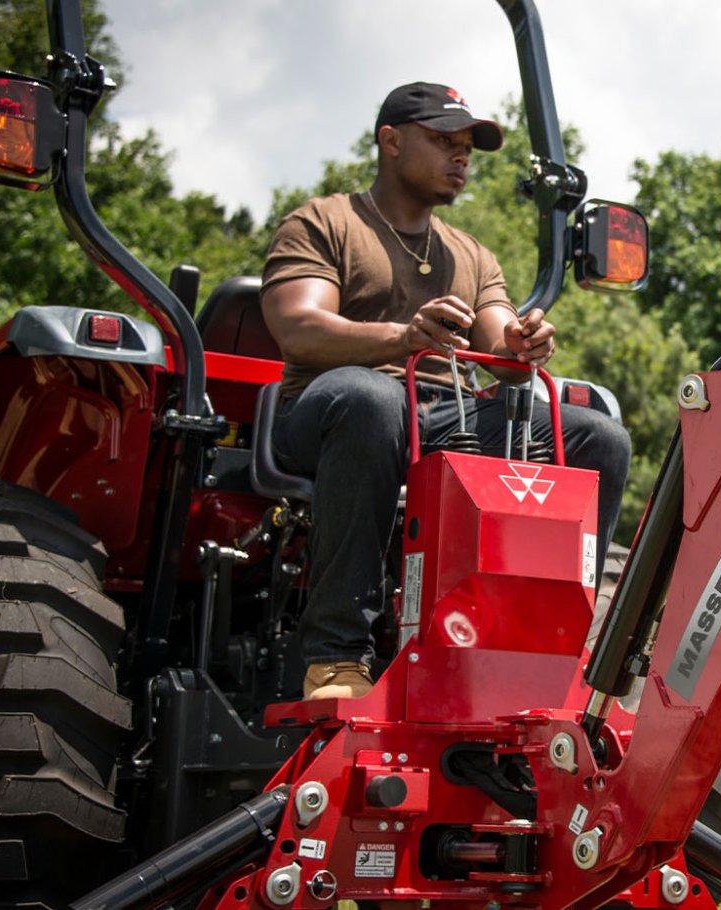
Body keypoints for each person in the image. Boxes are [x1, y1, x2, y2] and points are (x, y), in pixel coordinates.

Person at [260, 82, 630, 700]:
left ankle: (555, 655)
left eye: (466, 147)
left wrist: (523, 346)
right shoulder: (324, 222)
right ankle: (336, 656)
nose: (460, 156)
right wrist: (402, 337)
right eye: (442, 141)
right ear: (391, 141)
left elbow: (502, 348)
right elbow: (298, 328)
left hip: (440, 419)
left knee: (598, 438)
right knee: (373, 401)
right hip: (329, 413)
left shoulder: (472, 256)